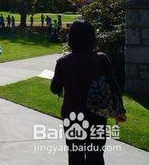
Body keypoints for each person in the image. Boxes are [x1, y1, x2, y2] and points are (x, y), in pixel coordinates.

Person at [51, 21, 127, 165]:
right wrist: (120, 110)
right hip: (97, 113)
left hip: (73, 114)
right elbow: (114, 85)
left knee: (75, 154)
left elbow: (54, 88)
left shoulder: (63, 62)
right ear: (92, 37)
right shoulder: (101, 59)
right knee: (96, 155)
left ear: (71, 38)